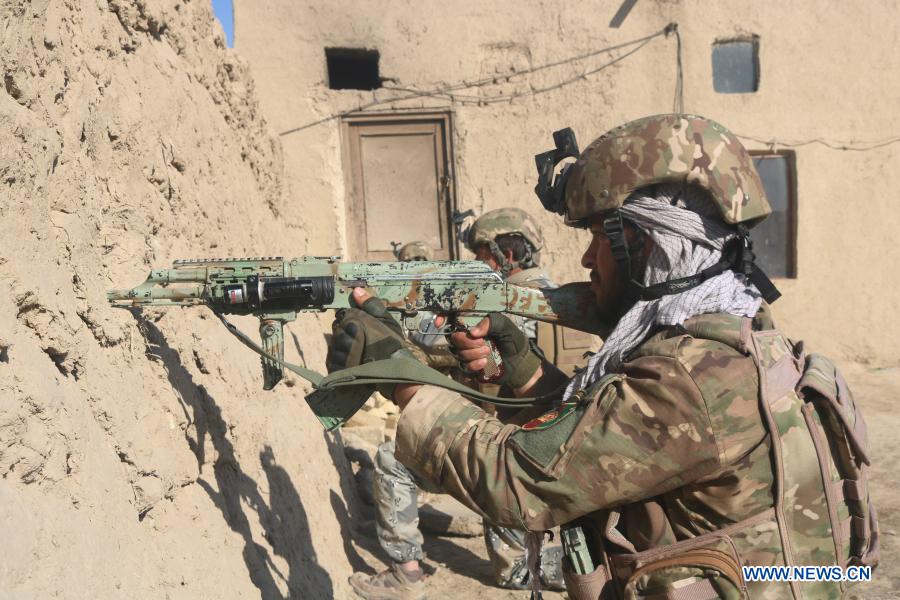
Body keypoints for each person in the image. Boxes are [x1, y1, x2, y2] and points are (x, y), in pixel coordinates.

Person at [328, 114, 878, 599]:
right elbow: (595, 440)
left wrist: (397, 370)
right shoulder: (734, 333)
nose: (589, 258)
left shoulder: (689, 377)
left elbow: (518, 480)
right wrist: (518, 367)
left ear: (649, 245)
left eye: (598, 239)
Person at [347, 214, 566, 600]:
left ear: (507, 253)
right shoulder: (557, 299)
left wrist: (391, 307)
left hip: (506, 454)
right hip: (549, 448)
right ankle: (533, 561)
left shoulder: (510, 303)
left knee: (391, 459)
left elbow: (436, 341)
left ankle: (407, 576)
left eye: (481, 255)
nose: (476, 263)